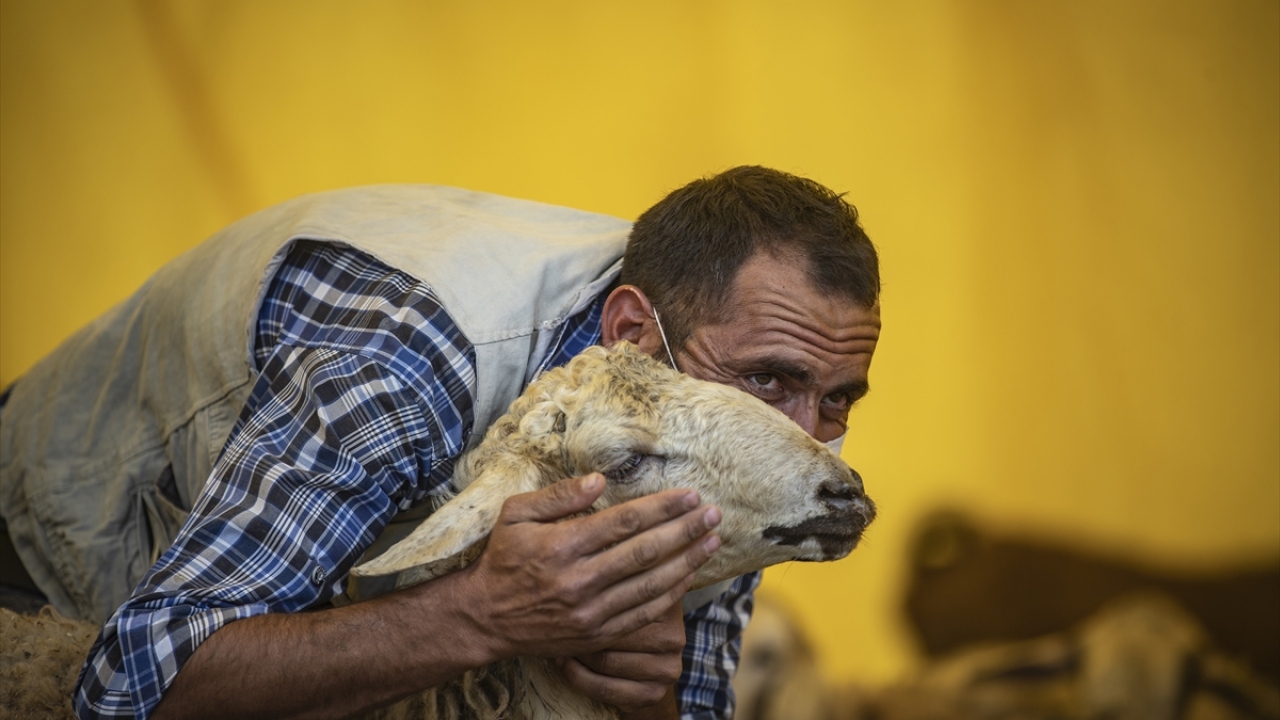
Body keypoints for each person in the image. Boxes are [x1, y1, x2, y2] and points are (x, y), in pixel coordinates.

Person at [0, 165, 881, 719]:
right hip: (44, 542)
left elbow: (687, 702)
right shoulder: (399, 364)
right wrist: (483, 616)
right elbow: (130, 683)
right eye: (767, 381)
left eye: (837, 399)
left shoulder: (734, 426)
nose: (805, 436)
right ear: (632, 331)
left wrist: (643, 687)